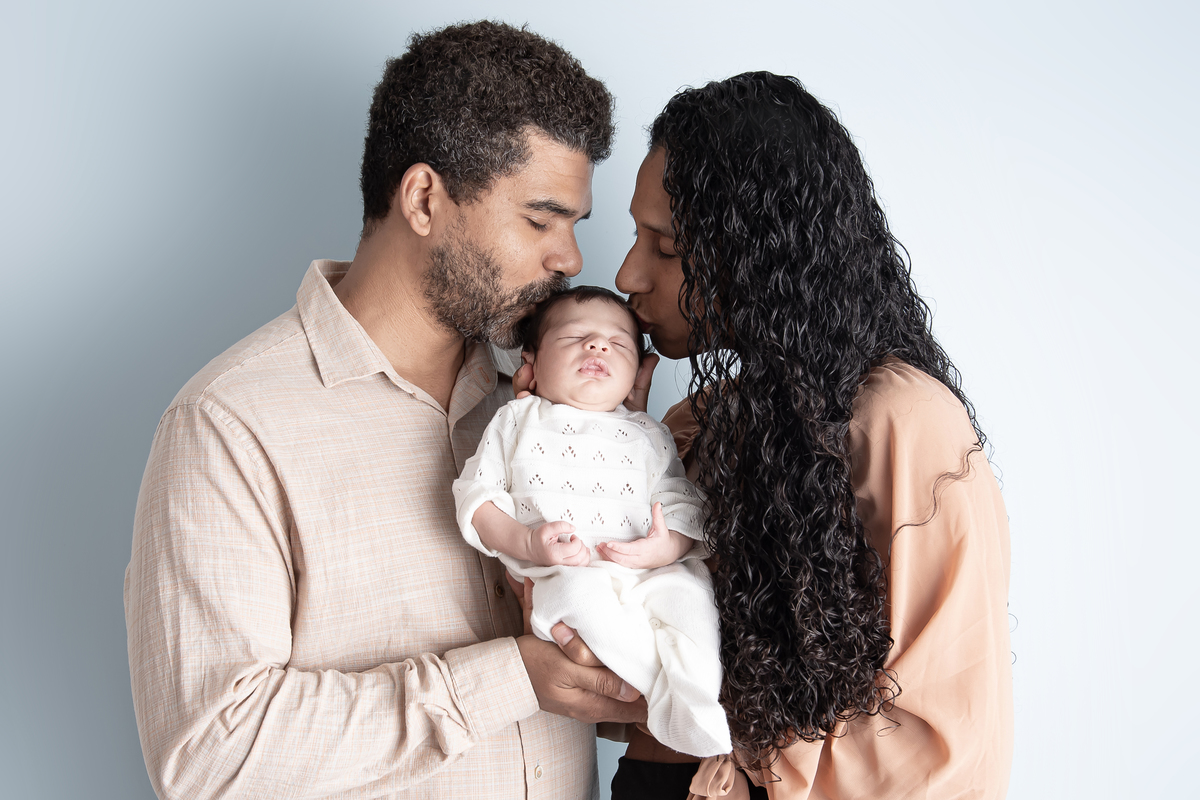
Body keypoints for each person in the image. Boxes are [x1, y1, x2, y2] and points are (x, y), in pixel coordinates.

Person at [123, 21, 646, 800]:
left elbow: (600, 689)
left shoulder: (537, 406)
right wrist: (509, 678)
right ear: (424, 199)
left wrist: (630, 489)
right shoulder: (230, 425)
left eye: (574, 226)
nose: (569, 259)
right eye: (541, 220)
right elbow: (210, 756)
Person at [524, 72, 1013, 799]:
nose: (627, 275)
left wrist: (720, 720)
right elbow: (619, 667)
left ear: (761, 254)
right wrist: (572, 443)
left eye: (668, 246)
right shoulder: (695, 424)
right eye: (636, 237)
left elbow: (944, 745)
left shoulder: (902, 422)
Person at [453, 286, 732, 758]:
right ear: (531, 361)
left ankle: (698, 698)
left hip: (652, 571)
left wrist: (665, 547)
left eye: (618, 343)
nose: (598, 345)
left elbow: (681, 504)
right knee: (582, 603)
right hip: (570, 573)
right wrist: (527, 542)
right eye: (574, 337)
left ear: (634, 373)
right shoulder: (517, 418)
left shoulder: (648, 432)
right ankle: (661, 694)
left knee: (692, 598)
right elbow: (478, 499)